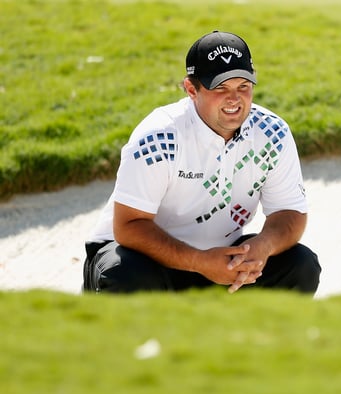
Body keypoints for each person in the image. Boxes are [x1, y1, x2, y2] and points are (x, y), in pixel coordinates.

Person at [83, 31, 321, 294]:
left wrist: (262, 247)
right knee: (124, 274)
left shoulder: (272, 133)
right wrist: (198, 261)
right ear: (191, 89)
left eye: (243, 86)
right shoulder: (159, 138)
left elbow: (290, 213)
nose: (234, 99)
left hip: (219, 260)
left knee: (301, 265)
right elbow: (128, 227)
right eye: (220, 88)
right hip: (141, 258)